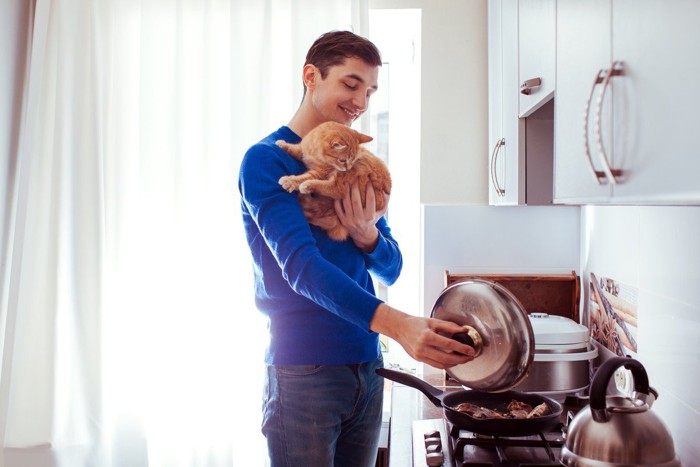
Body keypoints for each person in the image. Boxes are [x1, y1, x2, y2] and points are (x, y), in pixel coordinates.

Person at [238, 30, 475, 467]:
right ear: (311, 76)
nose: (361, 103)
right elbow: (301, 268)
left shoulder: (354, 163)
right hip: (304, 372)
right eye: (351, 84)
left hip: (367, 367)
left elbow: (393, 267)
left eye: (370, 91)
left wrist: (367, 234)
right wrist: (399, 325)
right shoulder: (267, 160)